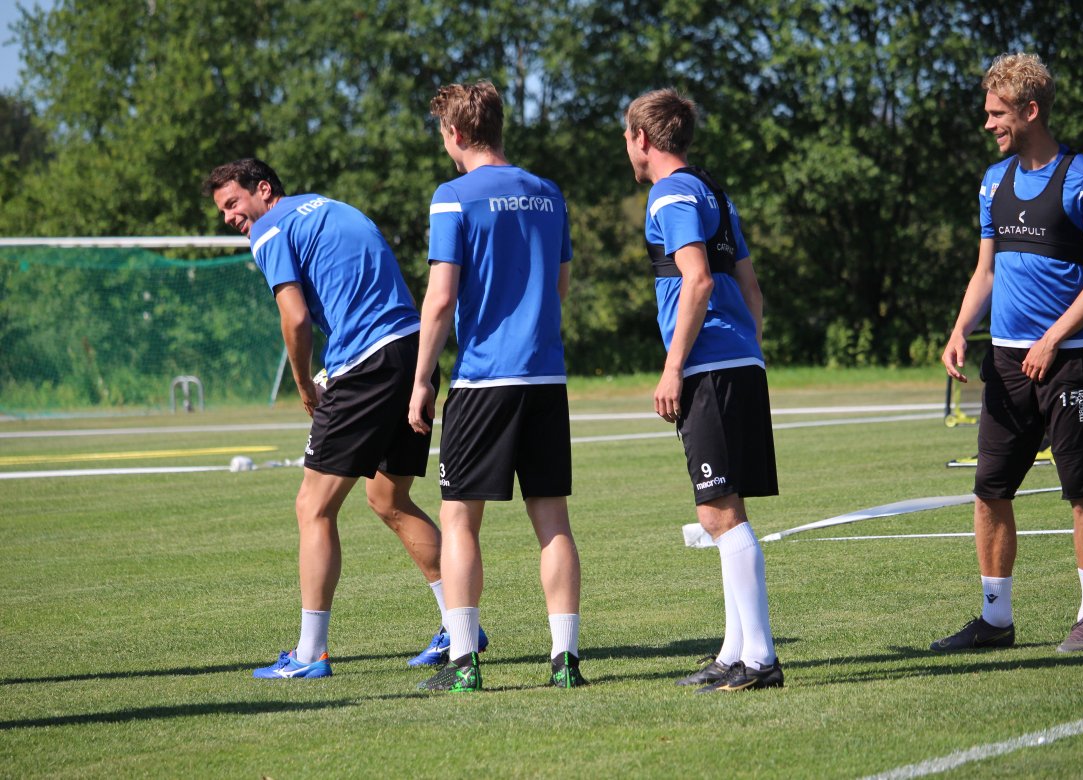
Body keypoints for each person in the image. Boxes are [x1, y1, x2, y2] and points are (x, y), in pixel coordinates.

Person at [202, 158, 487, 679]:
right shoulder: (330, 207)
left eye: (233, 203)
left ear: (263, 190)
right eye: (223, 210)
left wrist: (304, 383)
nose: (229, 217)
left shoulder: (270, 228)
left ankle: (310, 654)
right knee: (388, 499)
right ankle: (460, 624)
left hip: (367, 365)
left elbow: (295, 317)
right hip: (412, 353)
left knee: (312, 506)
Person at [936, 53, 1083, 653]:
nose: (988, 124)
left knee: (1081, 487)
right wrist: (960, 328)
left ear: (1031, 110)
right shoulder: (993, 182)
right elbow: (986, 270)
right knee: (990, 490)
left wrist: (1052, 339)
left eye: (997, 114)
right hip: (1005, 364)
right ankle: (996, 620)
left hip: (1068, 361)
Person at [407, 81, 584, 691]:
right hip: (545, 376)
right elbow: (560, 286)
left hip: (484, 379)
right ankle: (565, 662)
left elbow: (440, 299)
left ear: (455, 133)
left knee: (459, 519)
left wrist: (421, 379)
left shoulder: (452, 197)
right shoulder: (549, 194)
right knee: (552, 520)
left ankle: (464, 664)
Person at [623, 88, 784, 693]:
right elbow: (751, 288)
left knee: (718, 511)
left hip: (709, 368)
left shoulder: (669, 195)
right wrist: (747, 349)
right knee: (723, 512)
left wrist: (674, 367)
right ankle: (733, 652)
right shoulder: (713, 191)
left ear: (642, 138)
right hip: (737, 361)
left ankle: (761, 660)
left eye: (627, 137)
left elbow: (696, 281)